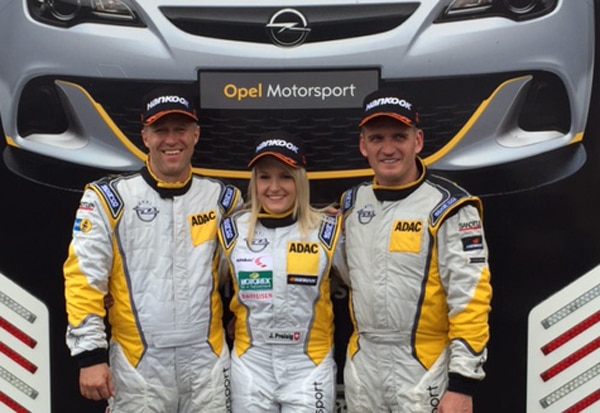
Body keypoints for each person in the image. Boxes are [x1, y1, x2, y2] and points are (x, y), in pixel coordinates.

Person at [63, 86, 242, 412]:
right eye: (161, 130)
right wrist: (89, 356)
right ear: (145, 137)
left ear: (196, 134)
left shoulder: (224, 199)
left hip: (207, 361)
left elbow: (262, 256)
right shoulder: (108, 199)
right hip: (138, 363)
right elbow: (83, 279)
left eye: (181, 129)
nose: (171, 139)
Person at [339, 87, 492, 413]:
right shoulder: (351, 205)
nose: (388, 148)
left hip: (425, 368)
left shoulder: (450, 206)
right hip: (364, 368)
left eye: (399, 136)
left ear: (418, 141)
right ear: (363, 145)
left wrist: (462, 385)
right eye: (377, 138)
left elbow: (471, 299)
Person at [217, 130, 344, 413]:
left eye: (285, 176)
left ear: (300, 179)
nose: (274, 187)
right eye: (264, 177)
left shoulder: (328, 230)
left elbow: (369, 283)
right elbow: (199, 284)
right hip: (252, 363)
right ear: (255, 182)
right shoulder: (232, 231)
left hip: (307, 364)